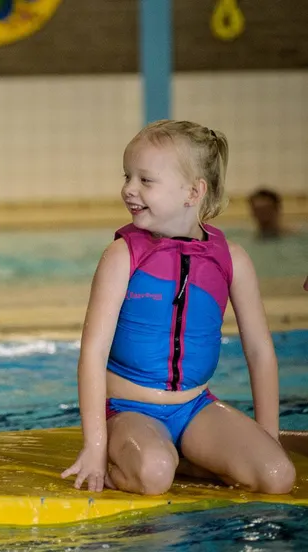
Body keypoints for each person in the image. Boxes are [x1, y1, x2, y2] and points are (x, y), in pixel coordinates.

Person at [61, 120, 297, 495]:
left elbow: (259, 350)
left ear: (193, 192)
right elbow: (92, 352)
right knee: (154, 473)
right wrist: (95, 446)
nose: (128, 189)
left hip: (195, 409)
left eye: (145, 180)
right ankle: (134, 459)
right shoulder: (124, 255)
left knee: (277, 474)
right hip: (129, 409)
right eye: (127, 176)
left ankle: (181, 457)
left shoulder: (232, 259)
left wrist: (267, 436)